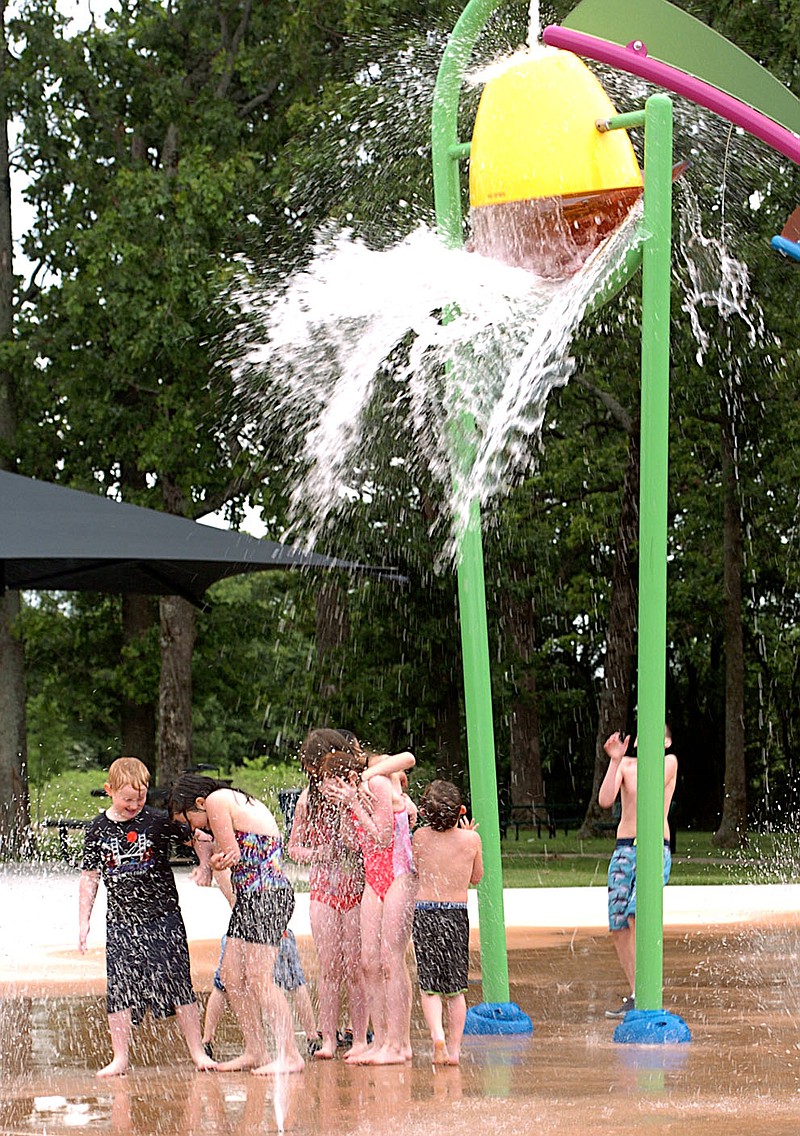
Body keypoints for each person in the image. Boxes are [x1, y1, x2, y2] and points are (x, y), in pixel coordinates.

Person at [78, 756, 217, 1077]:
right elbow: (89, 877)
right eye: (127, 799)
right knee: (120, 988)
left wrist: (204, 866)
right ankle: (120, 1057)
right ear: (109, 790)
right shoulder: (97, 829)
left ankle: (197, 1052)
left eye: (139, 798)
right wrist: (83, 921)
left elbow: (201, 836)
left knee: (180, 982)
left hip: (163, 917)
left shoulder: (156, 821)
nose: (134, 804)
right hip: (121, 923)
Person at [168, 772, 305, 1074]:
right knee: (231, 978)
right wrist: (209, 860)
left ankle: (290, 1054)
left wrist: (214, 863)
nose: (194, 828)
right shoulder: (229, 800)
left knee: (259, 979)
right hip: (252, 900)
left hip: (266, 896)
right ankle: (256, 1050)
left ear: (199, 802)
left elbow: (232, 854)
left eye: (189, 819)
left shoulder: (217, 801)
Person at [320, 746, 417, 1065]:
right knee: (368, 963)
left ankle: (399, 1044)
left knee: (391, 961)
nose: (324, 789)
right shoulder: (354, 797)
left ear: (347, 776)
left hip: (398, 874)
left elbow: (384, 837)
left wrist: (354, 802)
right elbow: (354, 843)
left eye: (328, 782)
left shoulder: (375, 783)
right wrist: (345, 809)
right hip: (374, 880)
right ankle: (382, 1040)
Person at [288, 728, 369, 1060]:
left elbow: (362, 843)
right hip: (324, 889)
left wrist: (349, 803)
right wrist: (315, 853)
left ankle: (361, 1038)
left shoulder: (359, 795)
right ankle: (328, 1040)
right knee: (328, 967)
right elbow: (293, 847)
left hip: (356, 890)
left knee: (355, 968)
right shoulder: (307, 801)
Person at [598, 725, 679, 1018]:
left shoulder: (668, 763)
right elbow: (605, 800)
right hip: (623, 848)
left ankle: (648, 988)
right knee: (618, 922)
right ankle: (636, 992)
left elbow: (652, 786)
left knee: (636, 913)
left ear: (666, 742)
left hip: (654, 847)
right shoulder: (626, 766)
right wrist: (615, 761)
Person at [201, 868, 320, 1059]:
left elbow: (230, 886)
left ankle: (208, 1040)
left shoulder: (236, 849)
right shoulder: (253, 851)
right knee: (292, 983)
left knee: (227, 983)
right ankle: (311, 1038)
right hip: (263, 921)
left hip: (255, 921)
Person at [411, 780, 483, 1065]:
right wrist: (466, 839)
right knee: (455, 990)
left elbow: (418, 869)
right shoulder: (471, 841)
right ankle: (453, 1051)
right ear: (461, 811)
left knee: (429, 985)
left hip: (425, 912)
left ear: (426, 813)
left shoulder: (420, 837)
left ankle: (437, 1037)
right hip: (455, 913)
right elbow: (476, 878)